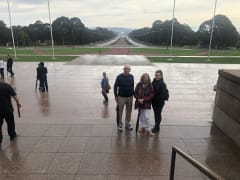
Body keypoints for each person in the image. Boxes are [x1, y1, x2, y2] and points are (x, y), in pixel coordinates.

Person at [0, 80, 21, 147]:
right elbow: (15, 96)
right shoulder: (7, 86)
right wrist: (18, 103)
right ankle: (12, 135)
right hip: (8, 109)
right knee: (10, 122)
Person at [114, 64, 134, 131]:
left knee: (129, 111)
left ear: (130, 70)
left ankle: (127, 123)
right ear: (123, 69)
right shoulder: (119, 77)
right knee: (120, 111)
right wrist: (116, 96)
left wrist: (133, 94)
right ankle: (119, 124)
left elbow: (132, 86)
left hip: (130, 97)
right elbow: (115, 87)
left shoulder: (132, 76)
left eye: (128, 69)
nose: (126, 70)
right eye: (125, 69)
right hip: (121, 97)